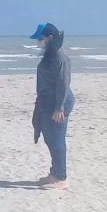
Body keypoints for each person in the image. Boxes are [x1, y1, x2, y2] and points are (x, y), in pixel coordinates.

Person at [30, 22, 74, 189]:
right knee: (49, 137)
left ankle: (61, 178)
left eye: (41, 38)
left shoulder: (59, 57)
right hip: (47, 100)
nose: (39, 41)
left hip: (57, 101)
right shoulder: (49, 55)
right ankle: (54, 173)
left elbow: (63, 83)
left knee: (56, 139)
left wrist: (59, 107)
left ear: (50, 37)